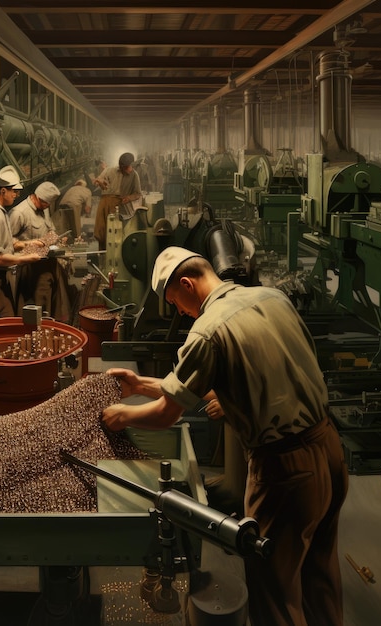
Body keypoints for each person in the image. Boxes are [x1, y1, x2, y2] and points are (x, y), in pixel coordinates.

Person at [101, 246, 349, 626]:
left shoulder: (207, 330)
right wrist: (138, 384)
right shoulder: (272, 298)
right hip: (329, 449)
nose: (180, 313)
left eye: (175, 302)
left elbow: (168, 414)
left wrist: (121, 415)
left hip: (286, 471)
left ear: (187, 283)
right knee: (320, 573)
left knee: (275, 595)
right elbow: (191, 386)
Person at [0, 165, 42, 319]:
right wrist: (26, 258)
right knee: (3, 324)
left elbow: (7, 242)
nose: (16, 195)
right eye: (14, 191)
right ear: (3, 191)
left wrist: (29, 243)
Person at [10, 181, 72, 321]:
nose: (48, 207)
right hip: (29, 266)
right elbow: (9, 243)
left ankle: (49, 326)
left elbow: (50, 229)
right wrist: (32, 245)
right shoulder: (19, 213)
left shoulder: (44, 208)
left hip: (47, 260)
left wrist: (56, 238)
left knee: (52, 299)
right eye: (46, 204)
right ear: (37, 198)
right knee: (38, 301)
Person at [93, 152, 141, 250]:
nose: (129, 170)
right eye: (126, 167)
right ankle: (103, 256)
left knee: (118, 233)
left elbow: (137, 194)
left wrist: (128, 198)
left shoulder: (134, 175)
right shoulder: (110, 170)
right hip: (105, 203)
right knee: (102, 232)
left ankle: (118, 257)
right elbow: (98, 180)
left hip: (122, 205)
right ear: (121, 166)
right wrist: (99, 181)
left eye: (130, 167)